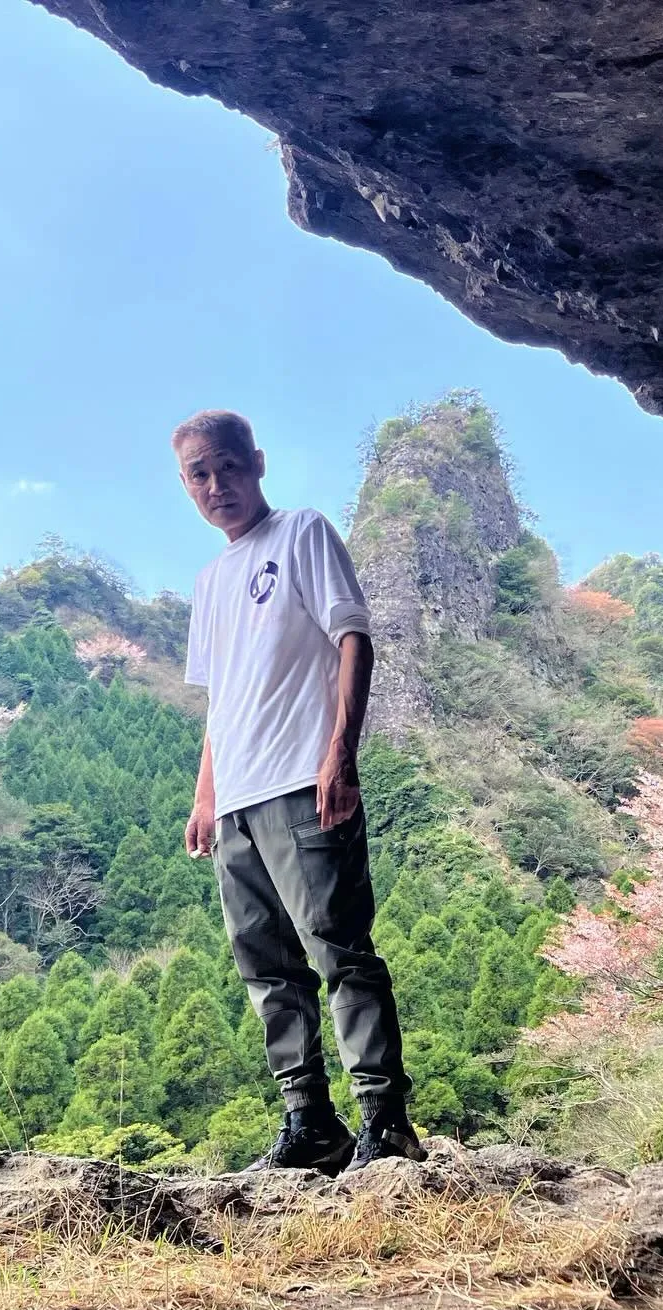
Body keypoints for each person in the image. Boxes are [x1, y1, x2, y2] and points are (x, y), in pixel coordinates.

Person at [176, 408, 425, 1175]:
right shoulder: (211, 580)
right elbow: (222, 700)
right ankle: (310, 1125)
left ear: (257, 461)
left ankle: (386, 1123)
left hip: (303, 782)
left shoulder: (303, 533)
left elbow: (355, 638)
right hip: (240, 803)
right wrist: (205, 797)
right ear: (185, 484)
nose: (218, 485)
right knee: (267, 969)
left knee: (340, 950)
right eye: (199, 473)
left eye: (228, 465)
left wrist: (340, 755)